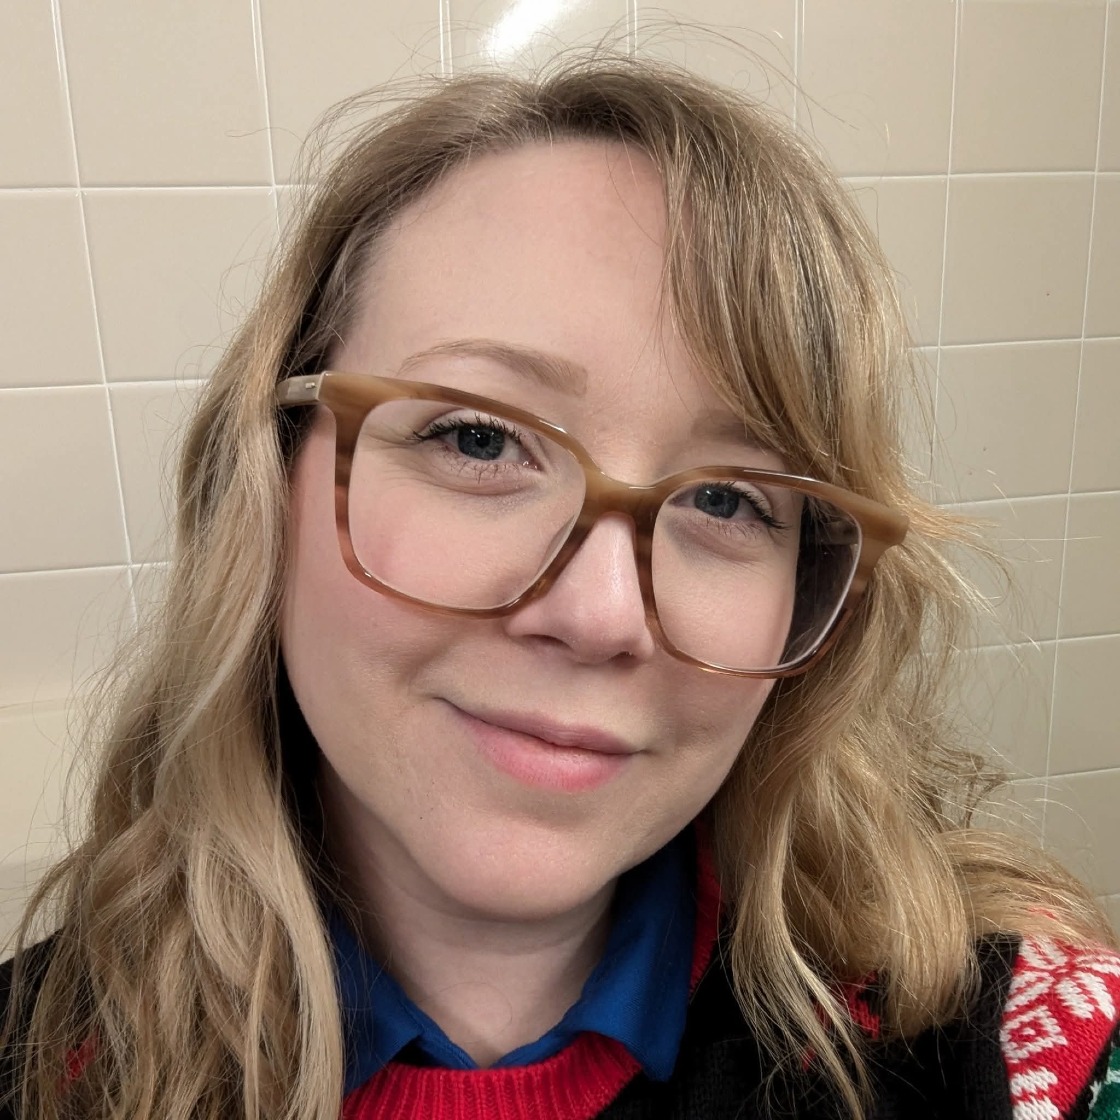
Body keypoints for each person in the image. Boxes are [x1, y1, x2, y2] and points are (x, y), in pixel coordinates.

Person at [1, 55, 1117, 1120]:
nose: (600, 614)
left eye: (728, 500)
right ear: (268, 482)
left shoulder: (1020, 1051)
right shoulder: (35, 1062)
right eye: (478, 438)